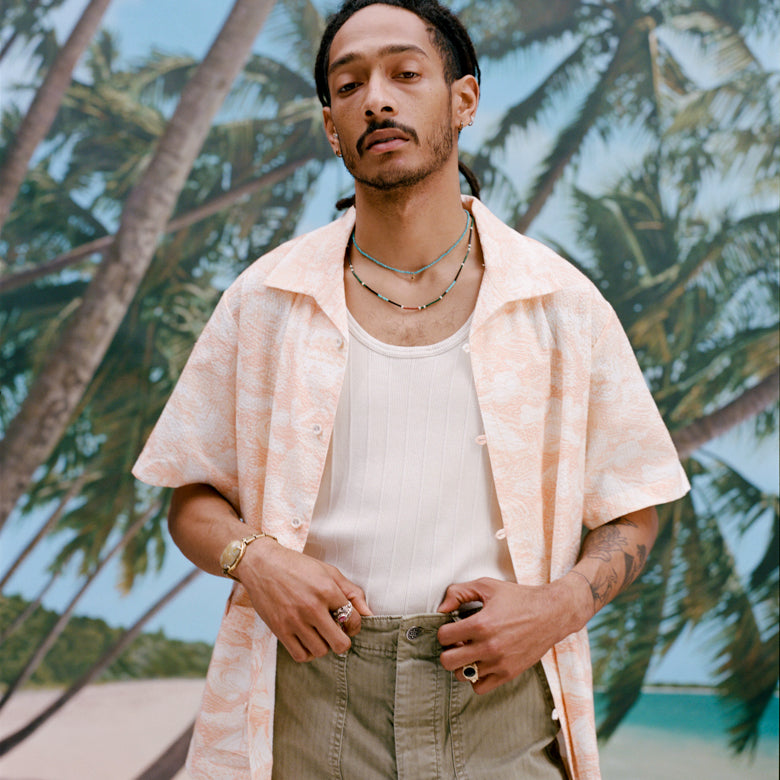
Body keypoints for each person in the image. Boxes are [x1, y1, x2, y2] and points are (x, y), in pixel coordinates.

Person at [132, 1, 690, 778]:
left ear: (462, 100)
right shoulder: (266, 301)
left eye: (404, 73)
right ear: (331, 124)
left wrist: (557, 609)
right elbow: (189, 498)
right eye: (349, 83)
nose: (377, 98)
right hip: (310, 705)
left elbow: (634, 507)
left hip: (500, 702)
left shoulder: (560, 304)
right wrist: (255, 560)